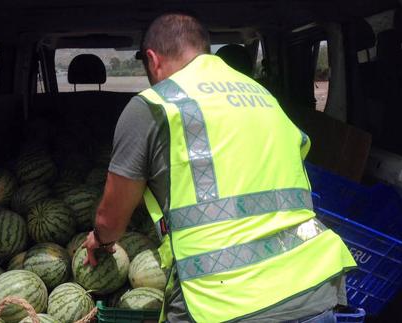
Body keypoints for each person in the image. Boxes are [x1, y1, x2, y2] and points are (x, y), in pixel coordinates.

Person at [81, 13, 356, 323]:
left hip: (223, 303)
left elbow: (112, 218)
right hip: (314, 288)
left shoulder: (154, 106)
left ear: (152, 59)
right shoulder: (262, 95)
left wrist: (100, 239)